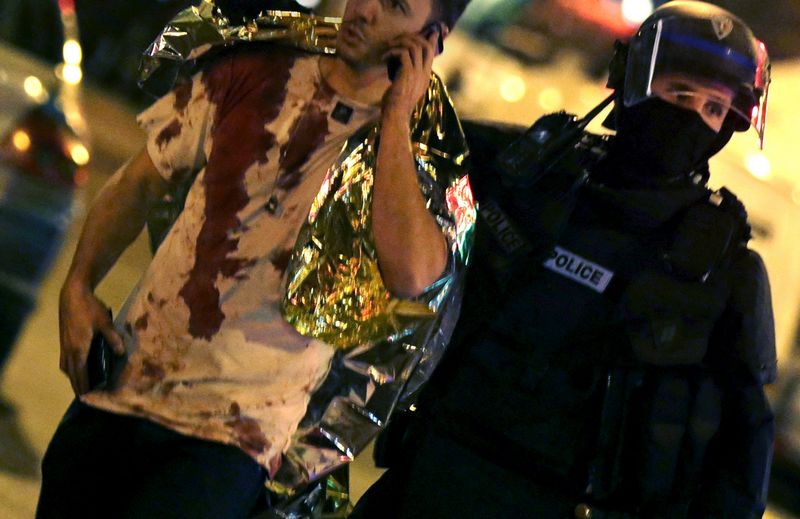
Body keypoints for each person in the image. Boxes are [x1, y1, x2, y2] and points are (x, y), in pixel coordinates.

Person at [36, 0, 474, 516]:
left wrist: (396, 115)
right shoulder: (259, 70)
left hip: (231, 441)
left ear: (430, 40)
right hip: (122, 387)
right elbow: (139, 182)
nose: (367, 9)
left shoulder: (421, 155)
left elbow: (413, 275)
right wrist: (79, 286)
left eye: (396, 6)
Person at [352, 1, 776, 517]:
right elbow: (406, 155)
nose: (690, 118)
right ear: (631, 82)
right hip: (432, 474)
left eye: (713, 108)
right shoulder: (530, 174)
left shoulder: (722, 266)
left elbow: (741, 450)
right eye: (679, 93)